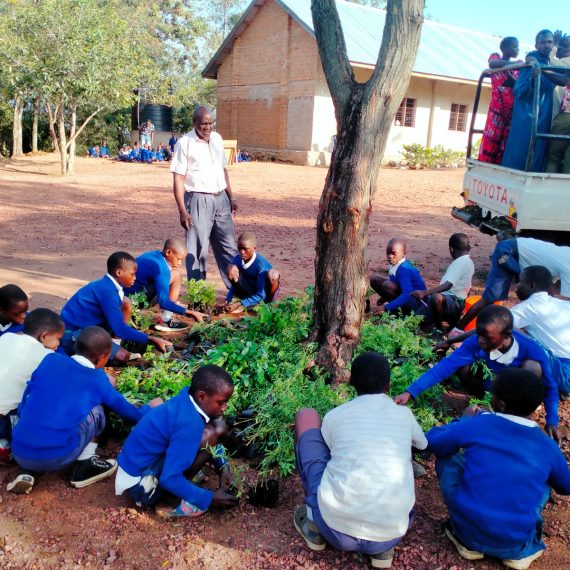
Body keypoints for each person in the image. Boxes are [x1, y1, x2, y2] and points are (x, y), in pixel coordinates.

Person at [294, 352, 427, 568]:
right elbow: (422, 445)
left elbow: (327, 450)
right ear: (388, 384)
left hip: (334, 530)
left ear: (351, 383)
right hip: (390, 533)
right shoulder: (404, 415)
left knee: (306, 415)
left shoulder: (336, 415)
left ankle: (313, 525)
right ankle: (381, 551)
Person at [427, 369, 570, 569]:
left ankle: (467, 543)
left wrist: (464, 420)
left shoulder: (479, 423)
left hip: (468, 532)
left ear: (500, 404)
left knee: (448, 457)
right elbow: (566, 486)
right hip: (515, 542)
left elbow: (433, 442)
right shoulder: (547, 446)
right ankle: (520, 554)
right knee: (545, 479)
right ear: (536, 406)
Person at [8, 327, 162, 494]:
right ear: (102, 357)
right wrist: (150, 408)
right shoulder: (97, 379)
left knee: (44, 406)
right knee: (96, 410)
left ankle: (28, 471)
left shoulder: (50, 360)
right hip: (56, 457)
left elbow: (29, 394)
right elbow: (132, 415)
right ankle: (84, 465)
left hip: (19, 450)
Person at [394, 305, 560, 443]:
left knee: (533, 368)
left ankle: (515, 414)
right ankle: (490, 401)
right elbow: (445, 366)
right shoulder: (478, 342)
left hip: (515, 388)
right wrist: (411, 391)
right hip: (494, 384)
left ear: (507, 336)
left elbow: (551, 387)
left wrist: (552, 420)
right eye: (478, 334)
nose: (480, 340)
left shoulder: (532, 350)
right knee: (461, 366)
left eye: (486, 337)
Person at [115, 364, 238, 518]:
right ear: (201, 396)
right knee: (211, 433)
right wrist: (209, 499)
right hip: (141, 488)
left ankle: (181, 478)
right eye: (221, 402)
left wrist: (223, 466)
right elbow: (169, 478)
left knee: (216, 426)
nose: (224, 407)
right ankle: (172, 500)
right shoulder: (189, 423)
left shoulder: (187, 398)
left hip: (135, 469)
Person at [60, 252, 171, 365]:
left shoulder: (107, 284)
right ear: (119, 273)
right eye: (132, 274)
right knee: (122, 357)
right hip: (71, 335)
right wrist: (152, 339)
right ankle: (90, 359)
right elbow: (119, 328)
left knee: (126, 302)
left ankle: (113, 344)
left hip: (85, 329)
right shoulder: (108, 292)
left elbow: (120, 314)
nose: (135, 278)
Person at [171, 106, 238, 289]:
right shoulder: (185, 143)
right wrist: (182, 210)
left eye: (210, 123)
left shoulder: (217, 138)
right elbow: (178, 178)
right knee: (198, 249)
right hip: (198, 200)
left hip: (221, 199)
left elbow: (222, 170)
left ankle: (237, 291)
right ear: (194, 123)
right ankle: (197, 294)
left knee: (228, 246)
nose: (207, 128)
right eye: (203, 124)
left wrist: (230, 196)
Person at [455, 236, 570, 332]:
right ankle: (458, 330)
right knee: (490, 298)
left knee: (539, 298)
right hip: (506, 253)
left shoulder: (565, 256)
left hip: (517, 254)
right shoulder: (567, 265)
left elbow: (548, 292)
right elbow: (566, 304)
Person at [0, 309, 64, 464]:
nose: (59, 344)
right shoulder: (47, 357)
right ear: (44, 336)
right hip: (4, 420)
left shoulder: (7, 337)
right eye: (57, 339)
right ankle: (5, 445)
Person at [502, 30, 569, 172]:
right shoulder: (531, 61)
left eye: (550, 42)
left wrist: (543, 69)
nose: (547, 45)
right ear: (536, 44)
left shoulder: (549, 63)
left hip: (544, 115)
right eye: (543, 42)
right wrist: (532, 78)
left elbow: (563, 81)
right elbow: (519, 91)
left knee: (539, 148)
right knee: (522, 148)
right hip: (528, 115)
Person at [511, 265, 570, 398]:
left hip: (564, 371)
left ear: (532, 286)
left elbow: (495, 322)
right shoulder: (564, 305)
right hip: (565, 368)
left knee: (510, 330)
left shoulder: (530, 307)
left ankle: (534, 394)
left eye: (519, 282)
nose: (516, 287)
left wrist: (454, 339)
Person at [124, 238, 206, 332]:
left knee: (172, 276)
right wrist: (191, 312)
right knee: (176, 275)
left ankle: (133, 314)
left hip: (126, 298)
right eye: (178, 259)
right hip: (132, 302)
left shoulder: (154, 255)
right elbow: (164, 302)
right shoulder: (161, 269)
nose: (179, 263)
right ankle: (166, 321)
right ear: (168, 252)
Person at [412, 233, 474, 329]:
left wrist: (425, 292)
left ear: (451, 249)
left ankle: (438, 328)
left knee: (435, 298)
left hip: (452, 302)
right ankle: (452, 321)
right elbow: (468, 287)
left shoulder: (460, 262)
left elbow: (448, 285)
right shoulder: (469, 262)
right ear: (468, 247)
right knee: (418, 318)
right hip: (455, 303)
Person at [479, 37, 521, 164]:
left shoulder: (517, 69)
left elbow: (518, 84)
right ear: (504, 49)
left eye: (517, 47)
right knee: (491, 137)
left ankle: (500, 165)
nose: (517, 49)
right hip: (496, 109)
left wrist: (518, 66)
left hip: (511, 110)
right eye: (514, 47)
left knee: (505, 141)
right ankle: (485, 164)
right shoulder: (496, 57)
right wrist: (516, 64)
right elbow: (493, 64)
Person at [223, 232, 280, 314]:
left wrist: (239, 304)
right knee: (231, 268)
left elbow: (261, 295)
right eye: (239, 248)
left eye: (245, 249)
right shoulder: (237, 259)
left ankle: (269, 304)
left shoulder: (261, 266)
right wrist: (228, 299)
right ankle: (247, 301)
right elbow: (234, 284)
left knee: (273, 275)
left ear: (254, 248)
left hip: (263, 293)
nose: (242, 252)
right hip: (250, 288)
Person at [370, 238, 427, 315]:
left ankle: (397, 313)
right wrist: (384, 298)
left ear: (403, 253)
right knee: (374, 279)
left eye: (393, 253)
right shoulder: (395, 264)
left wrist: (386, 307)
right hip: (409, 298)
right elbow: (396, 285)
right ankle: (394, 307)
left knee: (387, 285)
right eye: (388, 253)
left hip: (418, 305)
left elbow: (407, 294)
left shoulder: (404, 269)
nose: (390, 256)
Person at [546, 37, 570, 173]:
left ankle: (547, 191)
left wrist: (554, 45)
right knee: (568, 159)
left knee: (553, 157)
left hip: (566, 115)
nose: (560, 48)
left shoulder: (566, 61)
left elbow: (551, 62)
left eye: (564, 45)